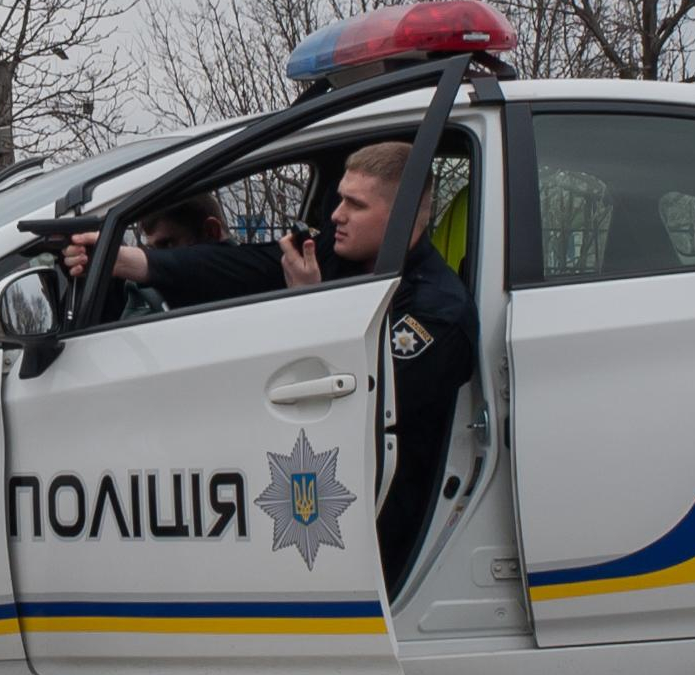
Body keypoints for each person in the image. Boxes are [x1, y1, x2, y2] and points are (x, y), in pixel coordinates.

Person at [64, 142, 474, 594]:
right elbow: (241, 265)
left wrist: (311, 303)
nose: (336, 214)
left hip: (379, 524)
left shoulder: (438, 311)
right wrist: (125, 261)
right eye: (339, 198)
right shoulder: (350, 259)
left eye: (355, 205)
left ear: (404, 215)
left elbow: (356, 404)